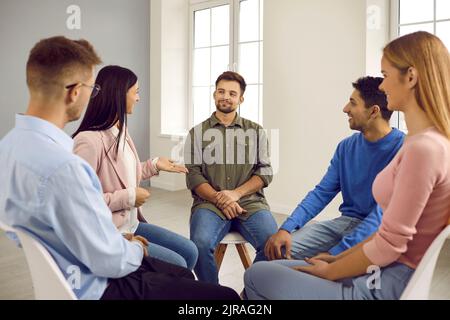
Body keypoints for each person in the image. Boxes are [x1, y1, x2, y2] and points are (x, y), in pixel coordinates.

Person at [0, 36, 238, 300]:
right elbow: (108, 260)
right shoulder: (65, 166)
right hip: (99, 283)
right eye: (92, 87)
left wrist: (154, 166)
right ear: (75, 91)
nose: (94, 95)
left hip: (76, 265)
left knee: (184, 266)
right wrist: (133, 246)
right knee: (224, 297)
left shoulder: (9, 148)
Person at [244, 31, 450, 300]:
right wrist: (292, 231)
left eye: (386, 75)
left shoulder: (421, 148)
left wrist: (334, 265)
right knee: (269, 260)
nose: (383, 86)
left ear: (410, 77)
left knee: (256, 275)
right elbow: (323, 192)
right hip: (375, 257)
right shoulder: (418, 142)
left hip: (381, 279)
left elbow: (387, 238)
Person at [264, 77, 404, 261]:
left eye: (353, 103)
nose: (345, 108)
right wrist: (286, 228)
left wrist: (334, 255)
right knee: (271, 253)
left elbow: (382, 215)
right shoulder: (346, 147)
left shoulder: (404, 148)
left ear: (373, 112)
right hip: (344, 223)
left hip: (379, 232)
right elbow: (322, 192)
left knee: (319, 272)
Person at [72, 65, 198, 270]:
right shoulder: (88, 141)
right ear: (119, 95)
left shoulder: (119, 130)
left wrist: (155, 164)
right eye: (136, 92)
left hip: (132, 224)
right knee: (178, 265)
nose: (138, 98)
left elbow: (123, 173)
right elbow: (79, 202)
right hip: (110, 234)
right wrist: (129, 197)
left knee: (190, 251)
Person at [185, 71, 278, 284]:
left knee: (273, 245)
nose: (226, 96)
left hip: (250, 203)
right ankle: (214, 296)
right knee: (199, 244)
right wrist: (221, 198)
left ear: (240, 99)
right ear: (214, 94)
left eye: (232, 93)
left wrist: (235, 194)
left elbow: (265, 171)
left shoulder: (256, 131)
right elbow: (194, 175)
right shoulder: (196, 133)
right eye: (221, 91)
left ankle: (250, 293)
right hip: (209, 204)